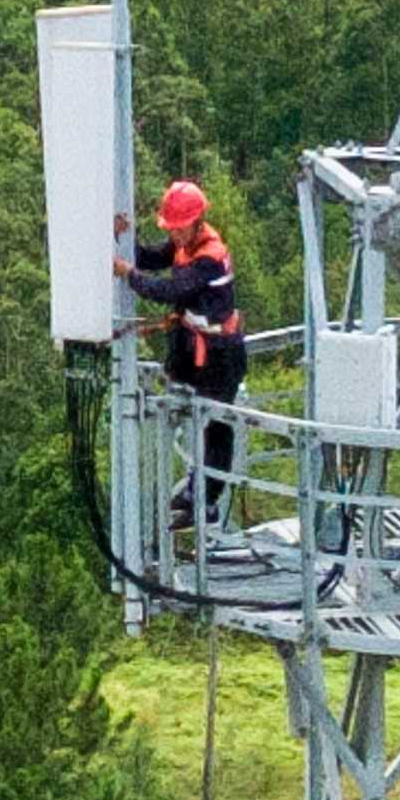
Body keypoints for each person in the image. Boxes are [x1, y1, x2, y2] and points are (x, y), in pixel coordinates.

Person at [131, 173, 248, 543]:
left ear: (196, 223)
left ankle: (208, 500)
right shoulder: (184, 246)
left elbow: (170, 290)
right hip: (198, 350)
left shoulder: (209, 258)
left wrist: (127, 276)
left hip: (220, 354)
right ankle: (194, 491)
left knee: (215, 427)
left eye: (179, 228)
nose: (174, 236)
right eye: (172, 229)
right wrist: (122, 237)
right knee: (201, 420)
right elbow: (151, 258)